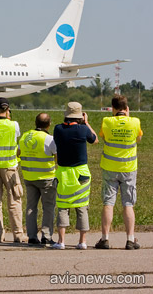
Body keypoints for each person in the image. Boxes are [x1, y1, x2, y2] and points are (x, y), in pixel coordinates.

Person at [95, 95, 143, 250]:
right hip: (128, 169)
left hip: (110, 167)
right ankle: (130, 239)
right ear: (127, 108)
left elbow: (103, 136)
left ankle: (105, 238)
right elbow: (139, 138)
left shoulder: (107, 122)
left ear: (113, 109)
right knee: (128, 204)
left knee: (108, 203)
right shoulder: (135, 122)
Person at [52, 102, 98, 250]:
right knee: (82, 207)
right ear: (80, 116)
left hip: (64, 172)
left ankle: (61, 241)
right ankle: (82, 241)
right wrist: (87, 123)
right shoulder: (83, 129)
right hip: (81, 172)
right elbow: (95, 140)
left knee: (63, 207)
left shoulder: (58, 129)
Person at [0, 97, 26, 243]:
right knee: (14, 201)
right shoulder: (14, 125)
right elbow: (16, 140)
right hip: (10, 167)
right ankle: (18, 234)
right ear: (8, 109)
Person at [18, 113, 57, 245]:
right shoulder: (49, 139)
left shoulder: (25, 136)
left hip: (29, 176)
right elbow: (57, 157)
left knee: (31, 207)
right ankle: (46, 235)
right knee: (48, 207)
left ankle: (32, 236)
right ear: (49, 124)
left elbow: (18, 153)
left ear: (35, 123)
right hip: (46, 177)